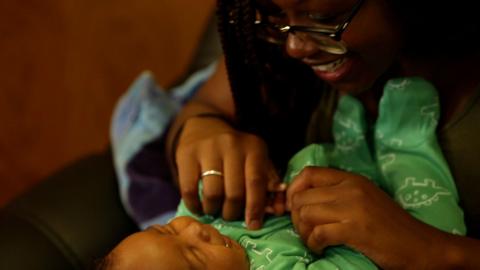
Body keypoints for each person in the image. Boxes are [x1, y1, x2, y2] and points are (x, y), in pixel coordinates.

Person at [161, 0, 480, 268]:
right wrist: (202, 128)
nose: (295, 48)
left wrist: (434, 252)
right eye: (275, 15)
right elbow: (201, 107)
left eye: (324, 19)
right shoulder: (273, 50)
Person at [105, 76, 465, 269]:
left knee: (331, 156)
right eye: (196, 259)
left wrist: (264, 192)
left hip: (337, 183)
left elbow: (208, 197)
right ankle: (406, 138)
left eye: (167, 230)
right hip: (402, 240)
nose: (196, 232)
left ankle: (354, 133)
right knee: (423, 194)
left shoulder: (199, 223)